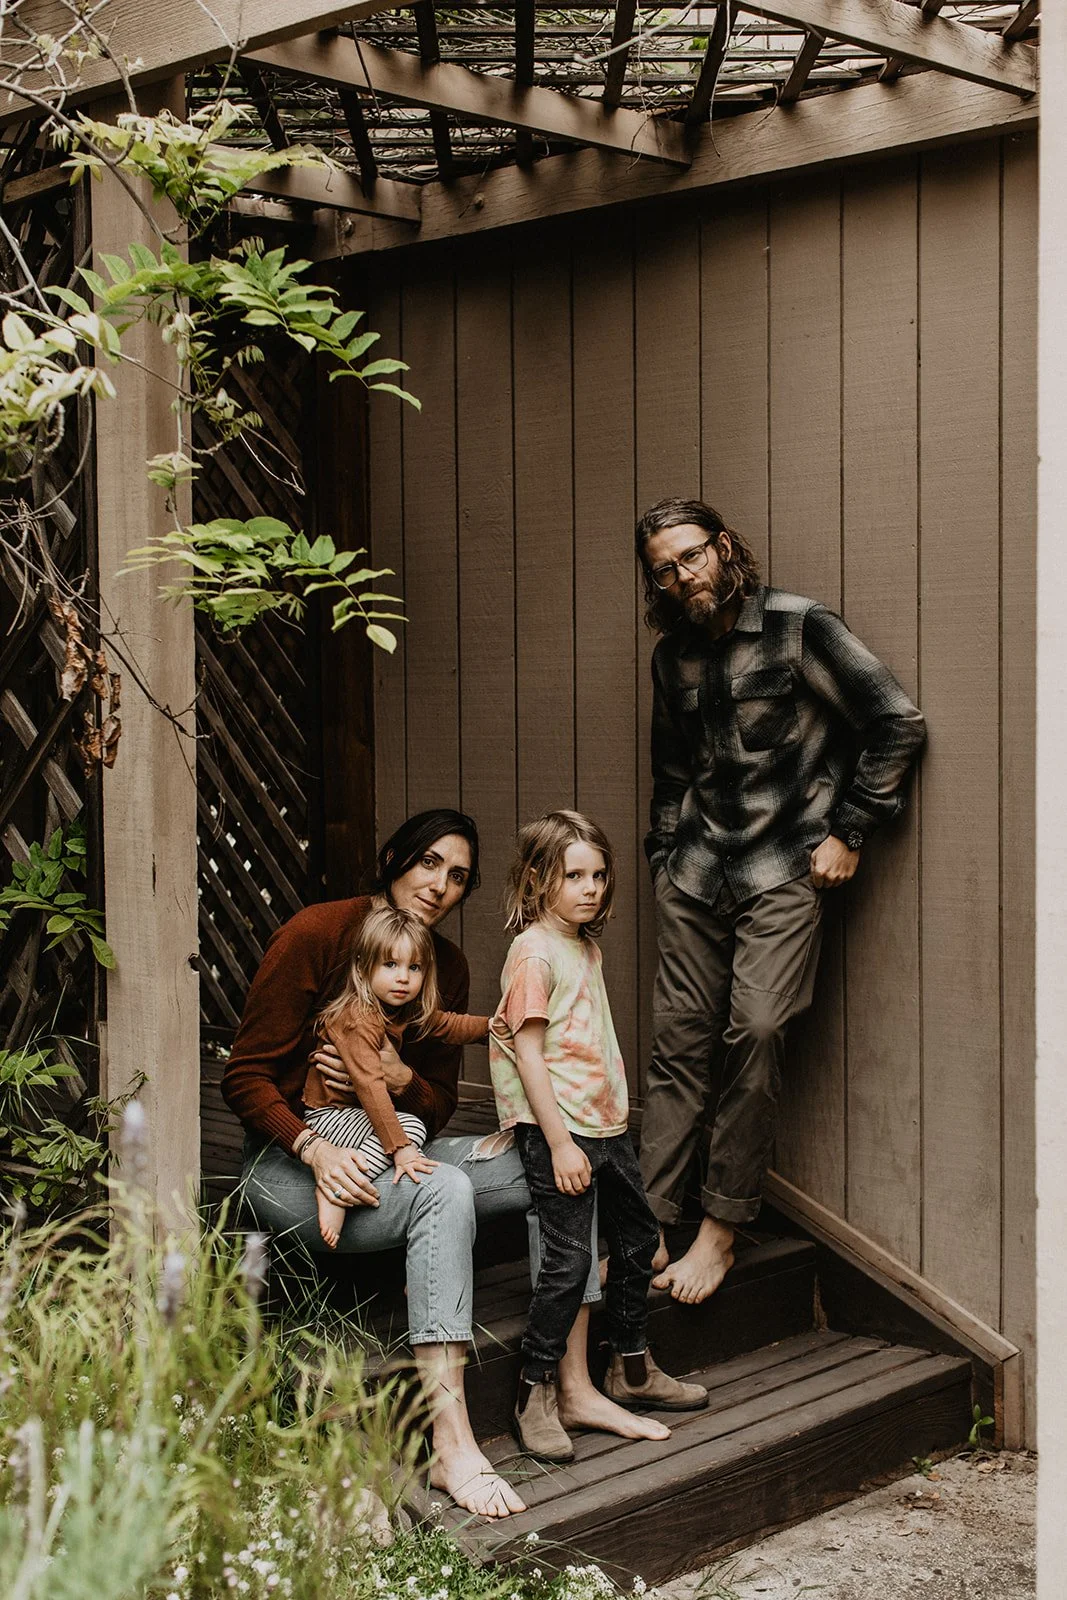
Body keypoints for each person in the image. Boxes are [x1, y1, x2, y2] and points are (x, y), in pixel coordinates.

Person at [223, 808, 663, 1523]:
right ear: (394, 859)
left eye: (457, 876)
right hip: (289, 1160)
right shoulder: (317, 933)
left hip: (394, 1146)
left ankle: (570, 1382)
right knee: (447, 1189)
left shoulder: (441, 968)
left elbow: (436, 1098)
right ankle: (452, 1439)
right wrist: (312, 1145)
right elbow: (242, 1079)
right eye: (429, 863)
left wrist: (397, 1076)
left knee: (554, 1166)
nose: (439, 885)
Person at [636, 499, 926, 1305]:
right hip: (695, 876)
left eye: (690, 556)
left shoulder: (798, 627)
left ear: (724, 548)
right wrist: (665, 857)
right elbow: (670, 777)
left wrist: (852, 831)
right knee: (677, 1048)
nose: (680, 576)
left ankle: (719, 1231)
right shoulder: (670, 661)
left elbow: (895, 723)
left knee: (756, 1031)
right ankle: (648, 1227)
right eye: (662, 568)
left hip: (782, 872)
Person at [490, 810, 709, 1464]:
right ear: (537, 879)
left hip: (604, 1125)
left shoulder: (583, 945)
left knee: (643, 1242)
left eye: (598, 875)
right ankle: (536, 1393)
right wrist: (557, 1144)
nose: (590, 888)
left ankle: (632, 1370)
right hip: (560, 1131)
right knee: (569, 1263)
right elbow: (528, 1055)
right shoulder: (532, 952)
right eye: (572, 876)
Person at [305, 902, 492, 1248]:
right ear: (363, 968)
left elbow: (446, 1024)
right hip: (327, 1117)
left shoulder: (398, 1009)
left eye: (414, 967)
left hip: (354, 1116)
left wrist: (491, 1029)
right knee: (411, 1128)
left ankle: (357, 1168)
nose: (404, 977)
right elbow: (371, 1086)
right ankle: (338, 1187)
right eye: (390, 964)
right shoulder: (357, 1017)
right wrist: (401, 1150)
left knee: (407, 1129)